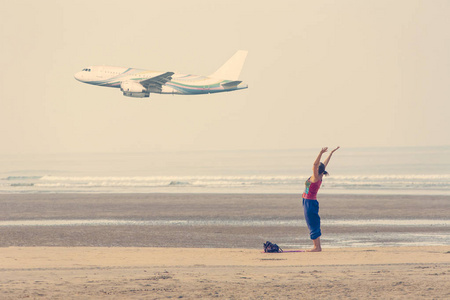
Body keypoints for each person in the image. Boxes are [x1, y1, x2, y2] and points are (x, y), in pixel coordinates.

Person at [302, 146, 340, 252]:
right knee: (313, 223)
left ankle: (317, 247)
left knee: (312, 223)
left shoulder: (316, 177)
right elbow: (323, 164)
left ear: (318, 170)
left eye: (317, 166)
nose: (315, 166)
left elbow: (315, 165)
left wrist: (320, 153)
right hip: (308, 201)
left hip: (310, 202)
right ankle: (317, 246)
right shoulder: (320, 174)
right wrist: (330, 154)